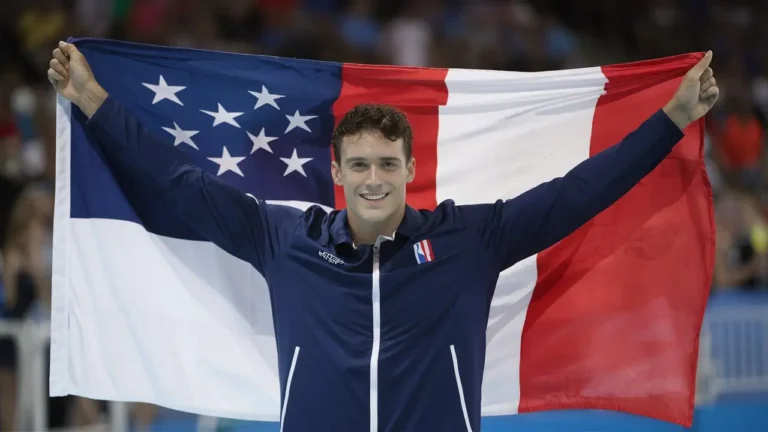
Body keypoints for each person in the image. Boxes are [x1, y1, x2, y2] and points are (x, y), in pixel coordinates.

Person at [47, 41, 719, 432]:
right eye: (360, 164)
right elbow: (178, 186)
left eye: (387, 164)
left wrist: (671, 118)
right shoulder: (282, 237)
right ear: (336, 170)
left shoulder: (470, 239)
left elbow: (579, 194)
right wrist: (95, 104)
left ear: (411, 169)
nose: (374, 179)